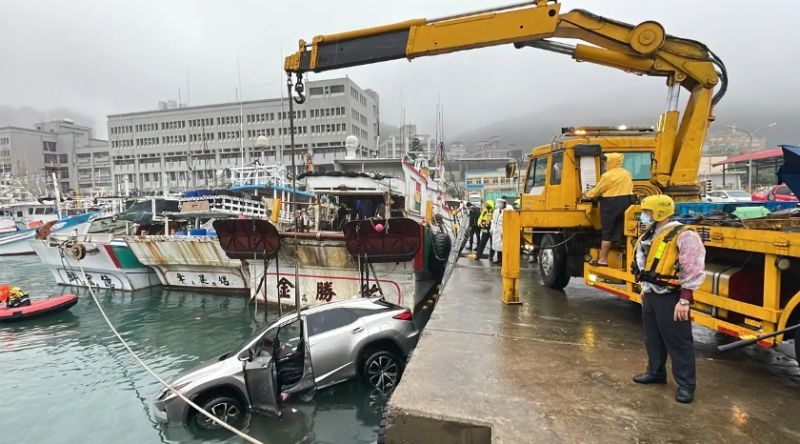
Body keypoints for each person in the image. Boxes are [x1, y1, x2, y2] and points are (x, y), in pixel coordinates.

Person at [631, 195, 705, 404]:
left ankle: (686, 385)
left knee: (678, 342)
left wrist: (685, 299)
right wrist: (645, 288)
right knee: (652, 338)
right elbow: (645, 263)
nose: (644, 216)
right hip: (651, 293)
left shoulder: (684, 235)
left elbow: (693, 268)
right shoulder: (651, 233)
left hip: (672, 296)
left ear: (660, 212)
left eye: (647, 212)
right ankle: (655, 372)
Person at [584, 153, 635, 266]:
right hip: (627, 202)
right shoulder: (626, 173)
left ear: (610, 162)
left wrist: (587, 194)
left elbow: (597, 191)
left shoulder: (607, 176)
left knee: (607, 232)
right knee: (624, 230)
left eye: (606, 161)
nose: (604, 164)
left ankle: (603, 259)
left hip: (611, 204)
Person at [490, 198, 507, 265]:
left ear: (504, 204)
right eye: (499, 202)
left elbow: (506, 223)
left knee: (502, 246)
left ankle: (502, 261)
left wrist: (503, 231)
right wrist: (491, 229)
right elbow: (493, 221)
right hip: (495, 229)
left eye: (501, 203)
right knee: (497, 246)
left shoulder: (506, 211)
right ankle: (498, 259)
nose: (499, 204)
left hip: (501, 229)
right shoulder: (496, 211)